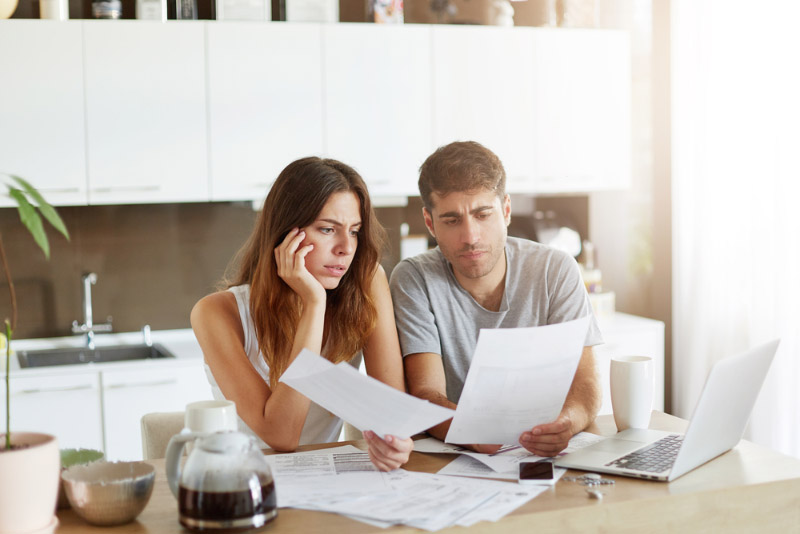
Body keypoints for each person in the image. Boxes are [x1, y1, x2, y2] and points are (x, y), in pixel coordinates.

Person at [191, 156, 412, 471]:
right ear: (285, 235)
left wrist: (395, 440)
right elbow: (282, 436)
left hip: (326, 482)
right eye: (327, 229)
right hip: (242, 483)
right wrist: (314, 303)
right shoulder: (215, 313)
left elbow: (393, 413)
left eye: (354, 231)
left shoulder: (365, 282)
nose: (345, 248)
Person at [389, 141, 603, 456]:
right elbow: (426, 393)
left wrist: (566, 423)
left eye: (482, 214)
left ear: (505, 210)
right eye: (452, 220)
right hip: (460, 454)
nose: (470, 236)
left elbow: (586, 385)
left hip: (541, 451)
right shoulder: (413, 279)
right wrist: (475, 434)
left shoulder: (555, 270)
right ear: (430, 222)